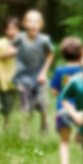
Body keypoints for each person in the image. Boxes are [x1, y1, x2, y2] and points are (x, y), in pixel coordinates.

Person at [12, 9, 54, 138]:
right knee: (25, 106)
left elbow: (50, 54)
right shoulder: (19, 37)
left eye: (36, 21)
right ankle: (23, 132)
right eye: (29, 21)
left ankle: (44, 123)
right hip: (23, 78)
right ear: (24, 24)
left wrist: (43, 72)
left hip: (39, 77)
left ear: (41, 25)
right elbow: (11, 47)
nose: (33, 24)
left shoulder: (44, 40)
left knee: (42, 104)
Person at [50, 36, 83, 164]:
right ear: (81, 53)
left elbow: (54, 91)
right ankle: (79, 137)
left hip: (63, 109)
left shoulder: (59, 71)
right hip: (81, 110)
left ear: (63, 53)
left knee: (64, 141)